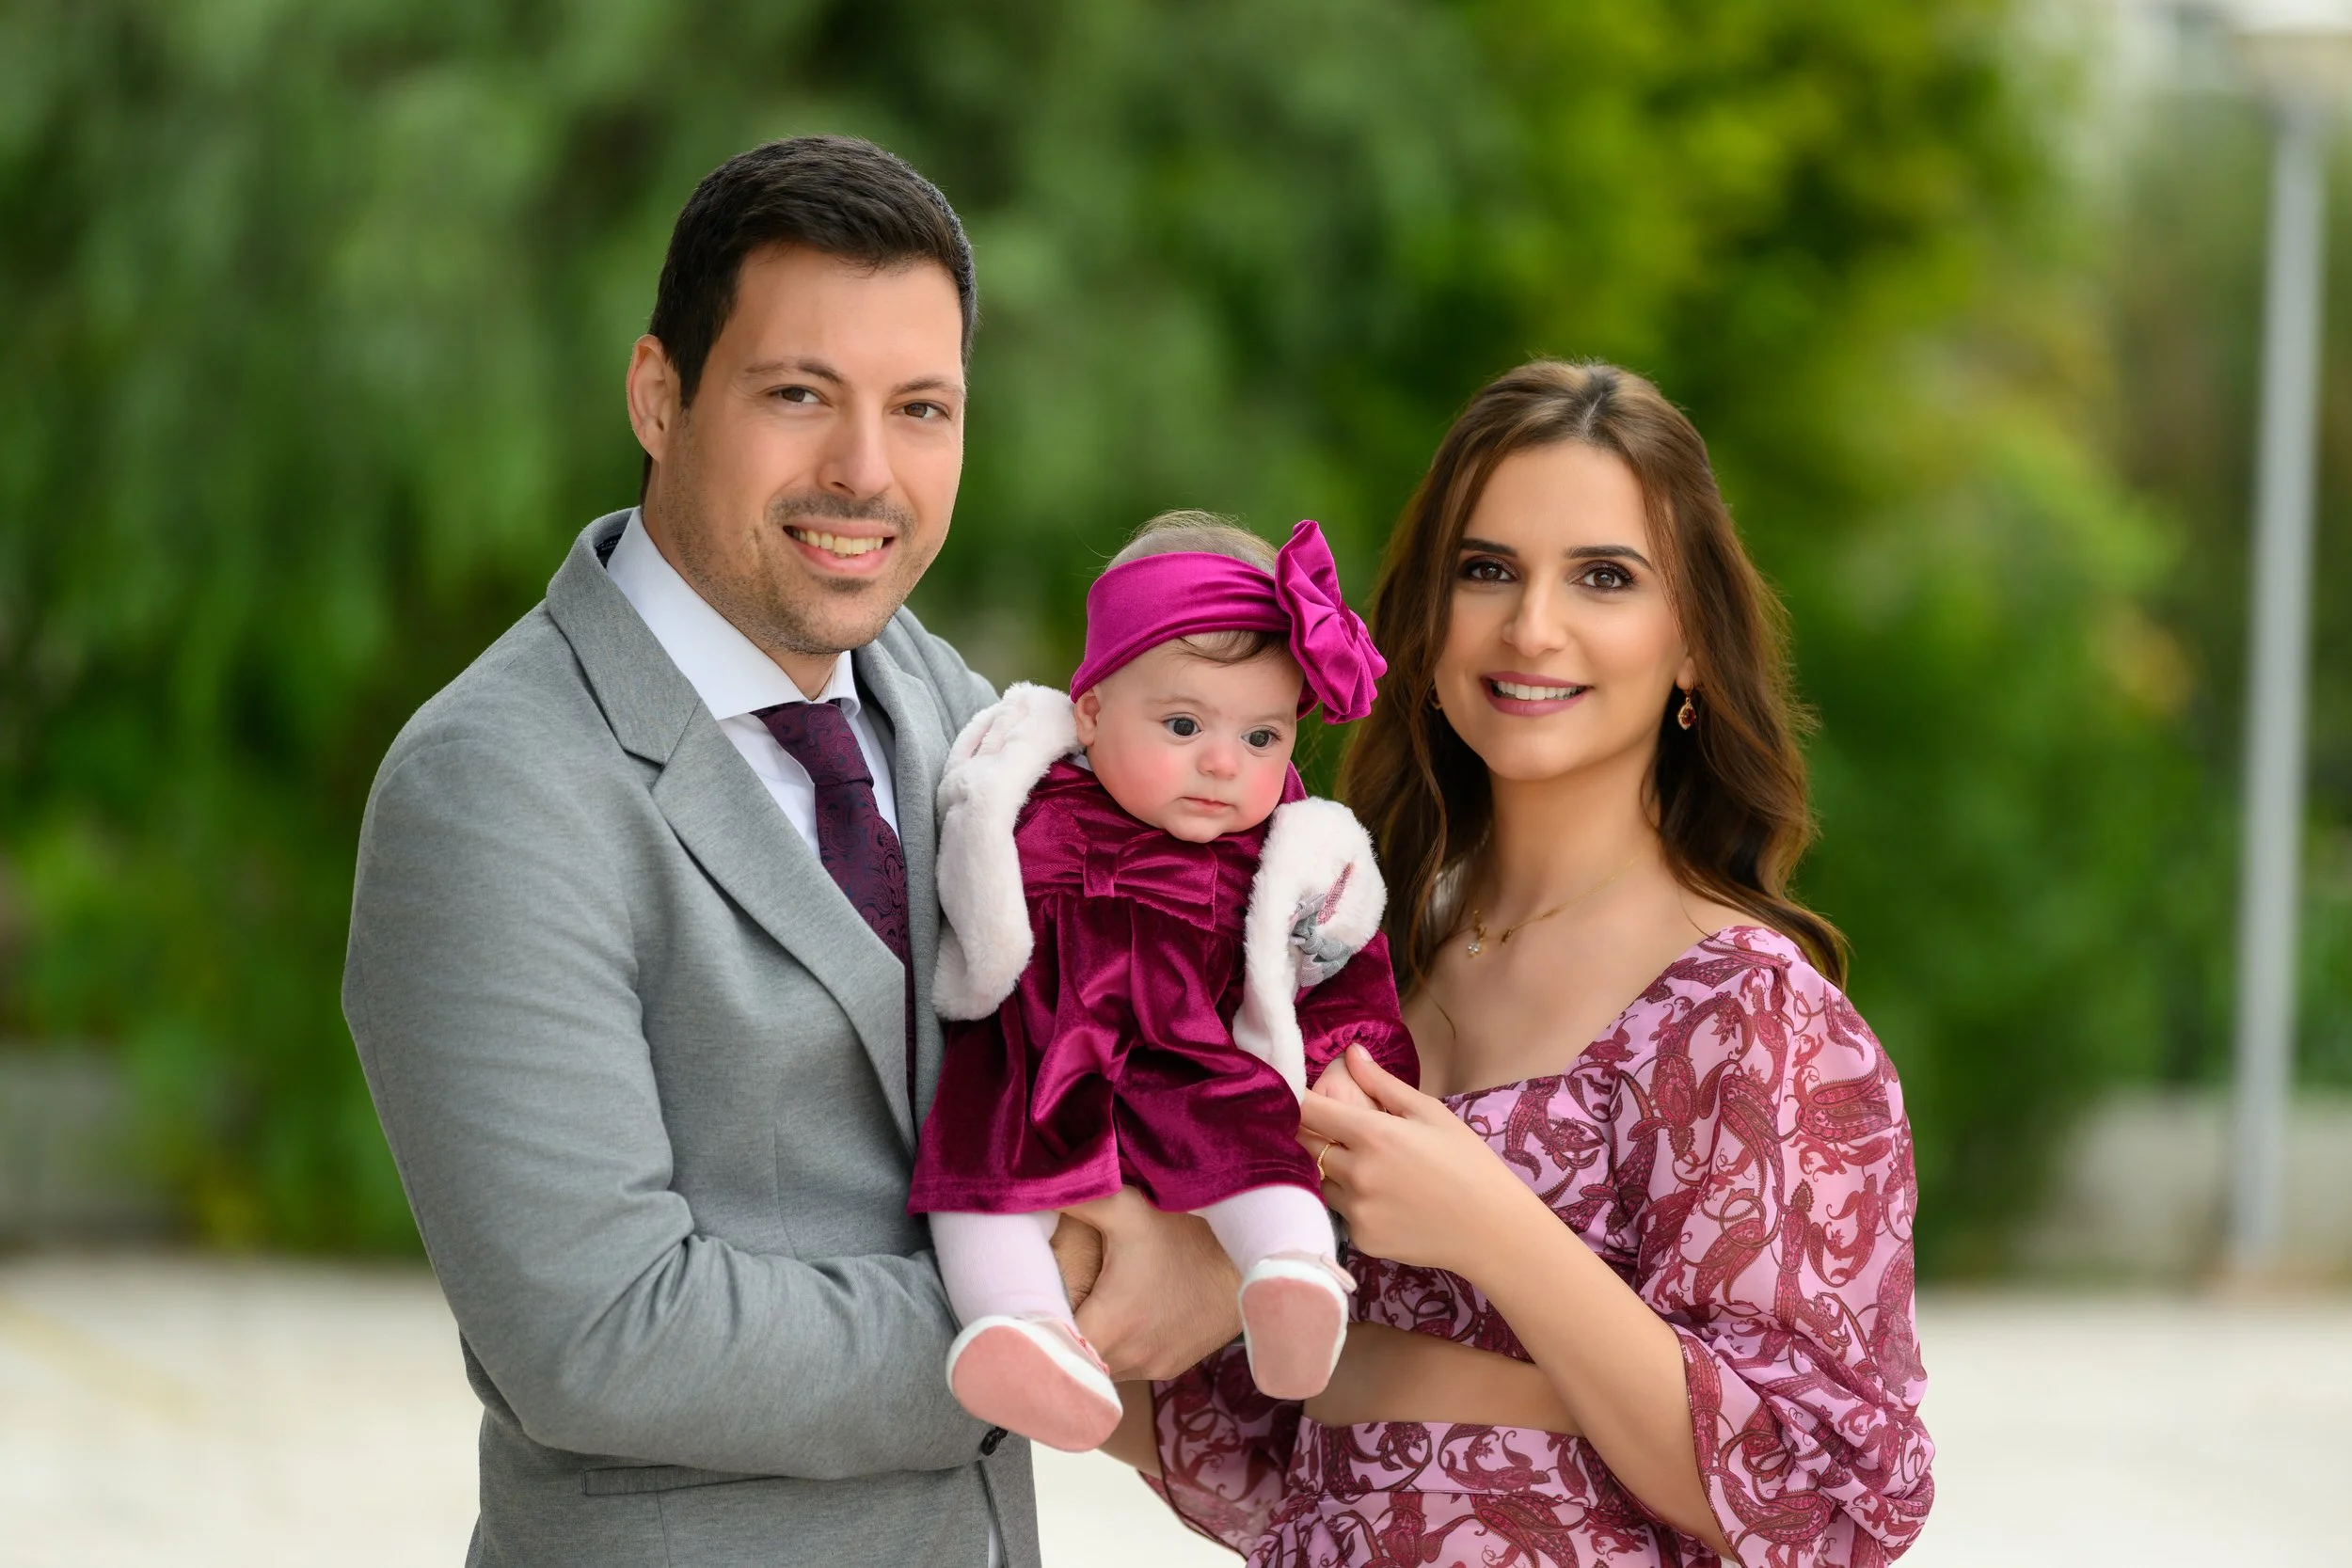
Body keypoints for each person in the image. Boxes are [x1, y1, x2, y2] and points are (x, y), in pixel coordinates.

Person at [342, 135, 1206, 1568]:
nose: (865, 472)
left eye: (921, 408)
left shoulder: (942, 705)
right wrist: (1056, 1300)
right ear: (659, 396)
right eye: (800, 394)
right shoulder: (492, 785)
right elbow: (602, 1330)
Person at [1102, 361, 1935, 1566]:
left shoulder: (1747, 1014)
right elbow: (1266, 1422)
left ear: (1692, 642)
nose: (1530, 625)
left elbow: (1822, 1496)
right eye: (1485, 569)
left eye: (1602, 576)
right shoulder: (1350, 957)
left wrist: (1492, 1228)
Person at [908, 513, 1418, 1453]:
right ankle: (1018, 1331)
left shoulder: (1290, 853)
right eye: (1182, 724)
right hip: (1036, 1048)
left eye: (1262, 735)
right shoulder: (1028, 782)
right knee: (976, 1176)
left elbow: (1347, 982)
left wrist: (1342, 1061)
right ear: (1091, 710)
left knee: (1249, 1132)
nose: (1223, 762)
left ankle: (1292, 1272)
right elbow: (952, 845)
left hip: (1187, 1056)